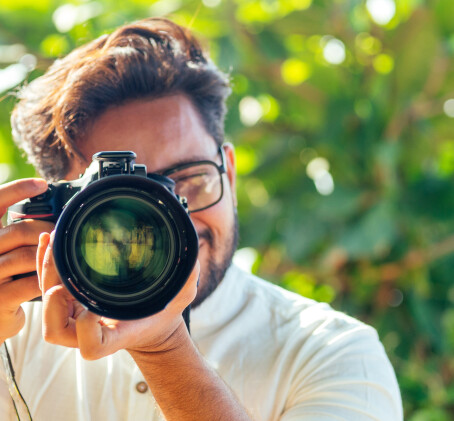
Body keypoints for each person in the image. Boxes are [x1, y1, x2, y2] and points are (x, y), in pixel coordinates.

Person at [0, 17, 403, 421]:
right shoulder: (12, 337)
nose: (169, 214)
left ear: (228, 171)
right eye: (123, 199)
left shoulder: (331, 353)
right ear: (60, 213)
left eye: (189, 179)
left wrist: (164, 348)